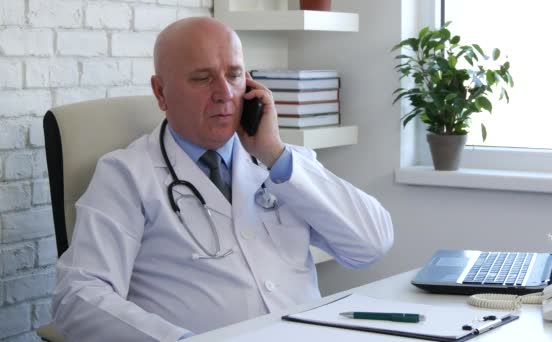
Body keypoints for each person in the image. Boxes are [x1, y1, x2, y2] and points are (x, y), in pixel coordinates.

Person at [52, 17, 394, 341]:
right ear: (161, 93)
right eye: (202, 78)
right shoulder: (127, 174)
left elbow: (371, 244)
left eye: (234, 75)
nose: (224, 93)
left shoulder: (281, 162)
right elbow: (78, 297)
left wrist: (275, 154)